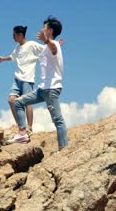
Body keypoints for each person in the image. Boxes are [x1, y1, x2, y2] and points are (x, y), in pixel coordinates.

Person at [8, 16, 68, 151]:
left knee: (57, 120)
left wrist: (48, 41)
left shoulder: (53, 45)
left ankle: (63, 149)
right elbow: (50, 51)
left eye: (45, 27)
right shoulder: (47, 47)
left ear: (50, 30)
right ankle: (22, 133)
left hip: (52, 90)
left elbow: (54, 49)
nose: (42, 29)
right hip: (42, 90)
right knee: (17, 102)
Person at [0, 26, 44, 135]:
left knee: (27, 102)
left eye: (14, 35)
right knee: (11, 100)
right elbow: (12, 57)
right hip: (17, 79)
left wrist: (55, 45)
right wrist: (3, 59)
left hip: (28, 79)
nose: (13, 37)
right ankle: (20, 126)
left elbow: (45, 49)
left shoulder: (31, 45)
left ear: (20, 35)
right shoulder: (17, 48)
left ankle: (30, 127)